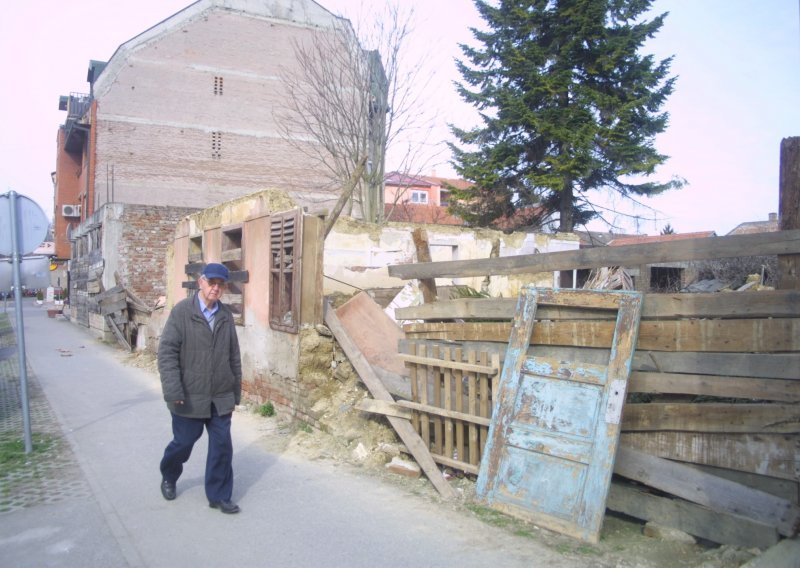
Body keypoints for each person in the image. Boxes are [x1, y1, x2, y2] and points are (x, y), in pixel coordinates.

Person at [157, 262, 242, 514]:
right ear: (201, 282)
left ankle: (219, 495)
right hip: (188, 396)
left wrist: (235, 391)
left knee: (222, 447)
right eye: (212, 283)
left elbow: (233, 355)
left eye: (220, 284)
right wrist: (173, 391)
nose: (216, 288)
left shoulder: (225, 315)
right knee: (183, 443)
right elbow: (167, 354)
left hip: (220, 395)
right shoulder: (182, 312)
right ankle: (169, 475)